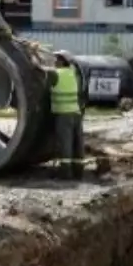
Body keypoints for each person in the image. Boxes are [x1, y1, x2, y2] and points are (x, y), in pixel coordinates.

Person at [49, 51, 86, 179]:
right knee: (77, 143)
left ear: (61, 61)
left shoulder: (56, 74)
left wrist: (33, 57)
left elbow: (41, 69)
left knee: (65, 143)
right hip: (76, 113)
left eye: (56, 60)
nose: (54, 62)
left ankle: (65, 173)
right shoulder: (73, 73)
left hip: (64, 115)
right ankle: (79, 171)